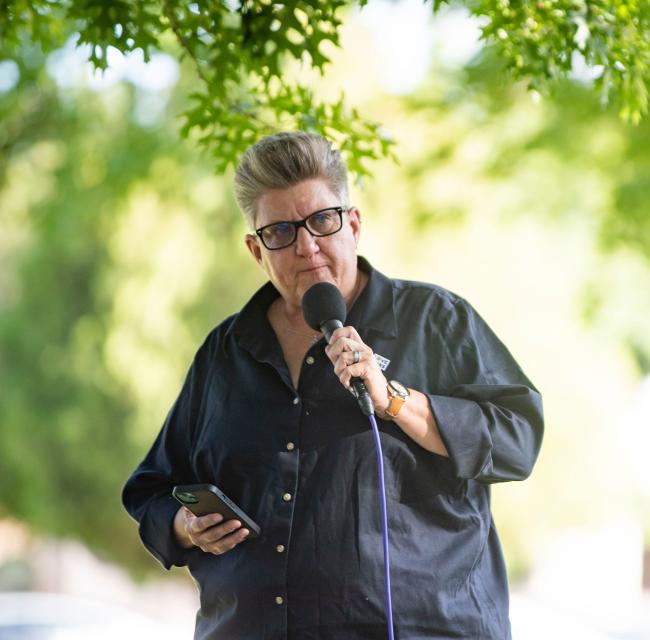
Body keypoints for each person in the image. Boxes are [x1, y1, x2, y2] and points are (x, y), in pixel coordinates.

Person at [121, 131, 544, 640]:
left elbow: (517, 439)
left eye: (322, 220)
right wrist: (183, 526)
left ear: (354, 224)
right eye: (280, 231)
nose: (307, 246)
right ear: (256, 250)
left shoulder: (435, 320)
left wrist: (394, 400)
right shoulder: (225, 352)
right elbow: (151, 488)